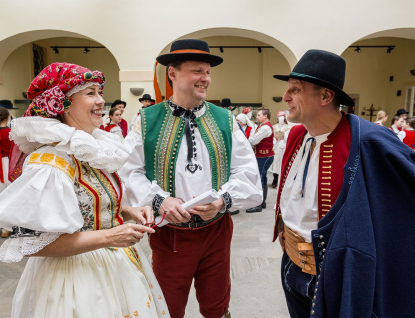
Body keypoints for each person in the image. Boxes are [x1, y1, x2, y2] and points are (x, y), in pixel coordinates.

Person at [0, 63, 169, 318]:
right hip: (74, 278)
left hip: (115, 267)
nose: (101, 100)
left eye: (100, 92)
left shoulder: (89, 149)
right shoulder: (50, 161)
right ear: (62, 103)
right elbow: (32, 242)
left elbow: (87, 201)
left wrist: (127, 210)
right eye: (90, 93)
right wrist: (109, 237)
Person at [120, 39, 262, 318]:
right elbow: (128, 171)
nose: (205, 79)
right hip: (170, 234)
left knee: (216, 304)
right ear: (172, 73)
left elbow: (246, 172)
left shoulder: (225, 119)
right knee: (168, 305)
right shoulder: (146, 119)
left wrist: (223, 200)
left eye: (208, 72)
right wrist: (159, 200)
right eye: (197, 71)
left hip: (217, 230)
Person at [272, 49, 415, 318]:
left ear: (326, 96)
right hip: (291, 261)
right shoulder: (296, 135)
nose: (286, 97)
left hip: (334, 275)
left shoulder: (369, 141)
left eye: (296, 89)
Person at [246, 107, 274, 213]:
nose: (256, 117)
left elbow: (254, 140)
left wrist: (246, 140)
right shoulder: (262, 126)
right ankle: (262, 202)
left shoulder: (265, 128)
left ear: (265, 116)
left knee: (260, 178)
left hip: (264, 156)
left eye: (258, 115)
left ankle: (259, 204)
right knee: (263, 178)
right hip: (263, 156)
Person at [270, 110, 290, 188]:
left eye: (282, 117)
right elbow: (272, 135)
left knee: (282, 162)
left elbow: (288, 137)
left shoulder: (287, 127)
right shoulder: (274, 126)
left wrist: (284, 142)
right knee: (275, 162)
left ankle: (282, 180)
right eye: (279, 117)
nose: (281, 119)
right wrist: (274, 140)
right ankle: (275, 179)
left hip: (283, 146)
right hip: (275, 145)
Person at [0, 107, 12, 238]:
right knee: (7, 195)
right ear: (7, 118)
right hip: (6, 163)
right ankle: (5, 228)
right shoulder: (10, 133)